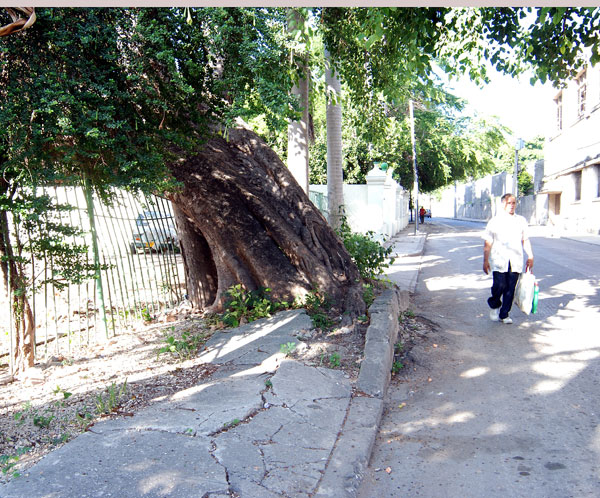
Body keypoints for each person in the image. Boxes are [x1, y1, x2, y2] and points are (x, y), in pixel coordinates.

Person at [482, 193, 534, 324]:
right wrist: (485, 260)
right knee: (499, 285)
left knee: (510, 289)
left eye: (513, 203)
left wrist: (530, 255)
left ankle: (504, 314)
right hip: (499, 259)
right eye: (508, 203)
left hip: (515, 260)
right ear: (503, 204)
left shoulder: (521, 220)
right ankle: (494, 305)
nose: (511, 205)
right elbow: (488, 241)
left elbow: (525, 239)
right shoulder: (495, 221)